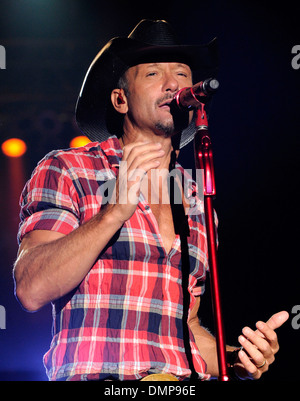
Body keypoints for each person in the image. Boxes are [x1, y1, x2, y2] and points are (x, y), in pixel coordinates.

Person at [13, 19, 288, 381]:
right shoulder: (69, 169)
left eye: (181, 74)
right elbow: (31, 288)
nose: (173, 84)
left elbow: (185, 327)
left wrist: (237, 358)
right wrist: (113, 214)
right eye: (154, 73)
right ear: (120, 99)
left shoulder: (195, 199)